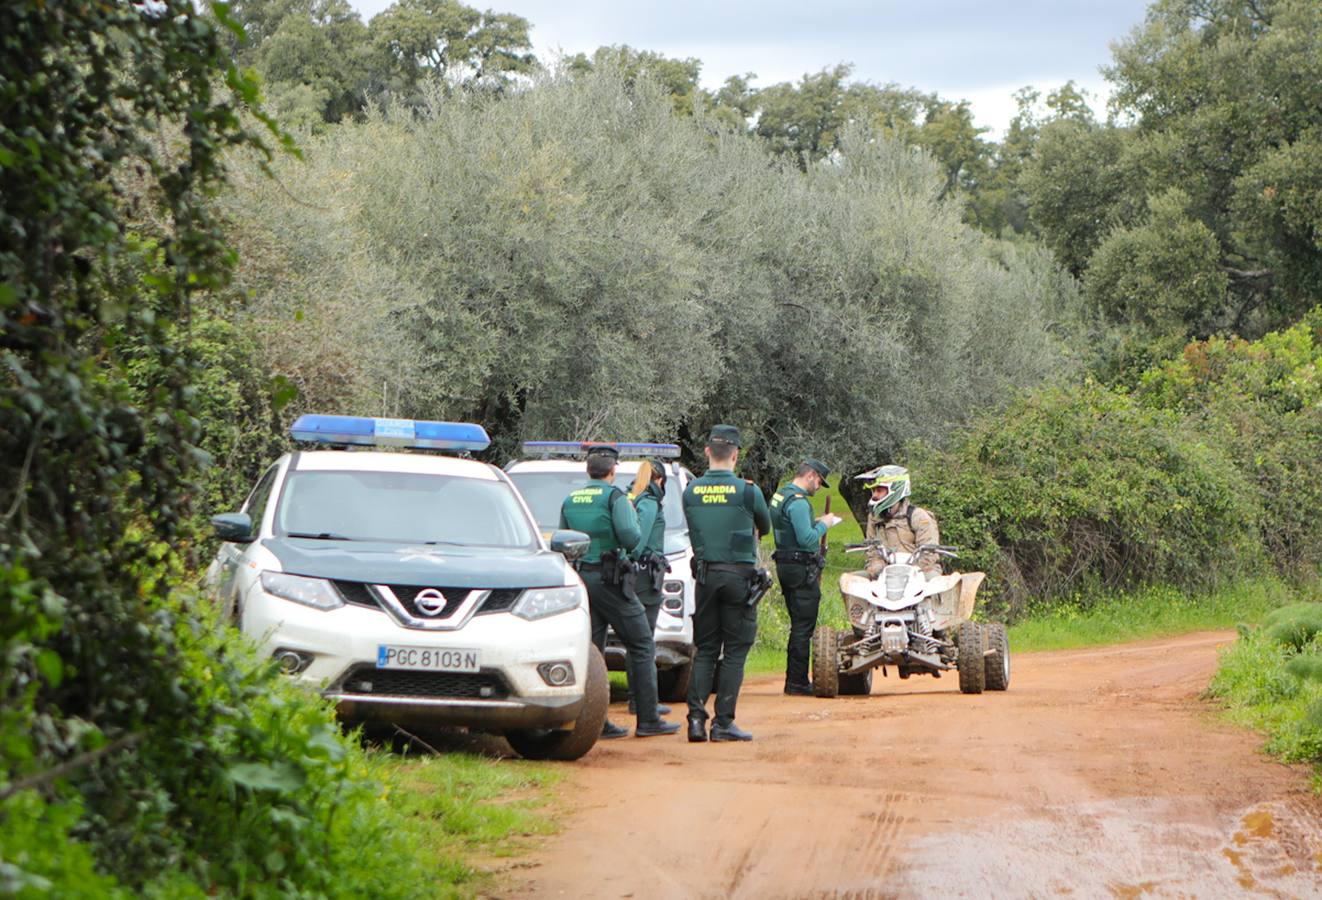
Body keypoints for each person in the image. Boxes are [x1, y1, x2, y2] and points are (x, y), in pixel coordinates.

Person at [559, 445, 679, 739]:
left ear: (589, 470)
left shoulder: (570, 499)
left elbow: (563, 539)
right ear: (612, 471)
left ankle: (596, 722)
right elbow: (631, 536)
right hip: (612, 579)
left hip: (583, 578)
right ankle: (648, 718)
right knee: (640, 642)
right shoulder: (615, 498)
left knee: (593, 651)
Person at [681, 425, 771, 742]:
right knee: (734, 650)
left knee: (705, 649)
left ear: (707, 451)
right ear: (736, 454)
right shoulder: (748, 491)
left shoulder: (690, 491)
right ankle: (723, 723)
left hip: (705, 577)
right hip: (739, 578)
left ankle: (694, 721)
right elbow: (766, 526)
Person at [769, 459, 842, 695]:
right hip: (801, 569)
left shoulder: (781, 496)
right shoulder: (799, 503)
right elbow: (807, 540)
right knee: (803, 626)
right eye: (819, 480)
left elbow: (792, 528)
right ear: (810, 475)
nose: (819, 486)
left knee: (796, 623)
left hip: (785, 564)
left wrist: (814, 523)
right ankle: (797, 682)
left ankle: (794, 678)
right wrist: (825, 525)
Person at [626, 458, 671, 717]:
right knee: (644, 640)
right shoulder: (650, 502)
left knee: (637, 638)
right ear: (660, 480)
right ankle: (644, 701)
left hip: (637, 575)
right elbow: (639, 540)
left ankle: (638, 699)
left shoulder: (633, 497)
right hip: (646, 575)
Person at [857, 465, 941, 578]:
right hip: (885, 573)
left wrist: (909, 571)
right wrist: (877, 568)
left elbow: (929, 554)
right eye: (874, 491)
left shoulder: (919, 516)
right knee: (851, 582)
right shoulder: (874, 518)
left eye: (879, 490)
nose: (875, 495)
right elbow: (872, 552)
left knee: (934, 581)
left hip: (919, 572)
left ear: (896, 489)